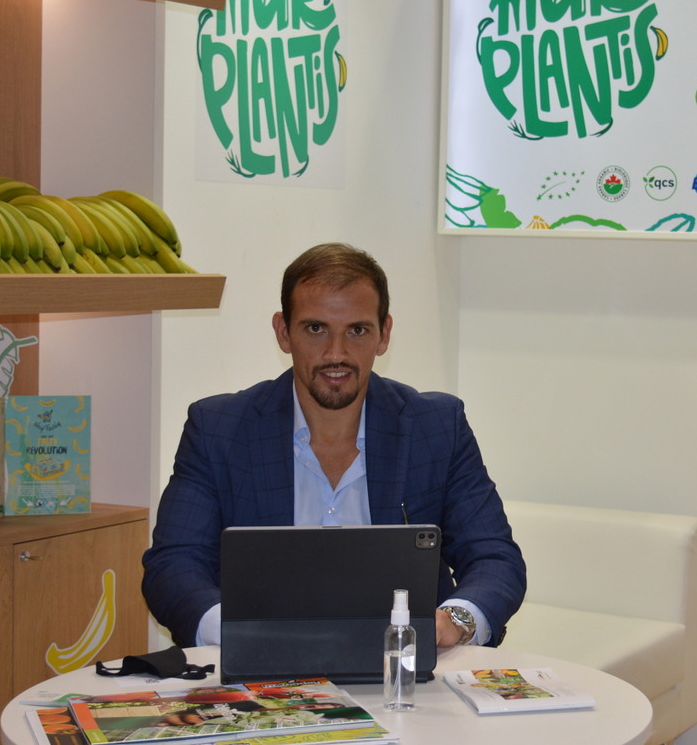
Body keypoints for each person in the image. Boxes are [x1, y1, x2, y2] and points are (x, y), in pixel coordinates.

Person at [142, 242, 526, 650]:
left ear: (384, 334)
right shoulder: (219, 429)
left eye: (357, 330)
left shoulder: (436, 426)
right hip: (261, 669)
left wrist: (456, 620)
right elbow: (174, 565)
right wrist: (238, 632)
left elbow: (493, 558)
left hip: (404, 665)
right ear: (283, 332)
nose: (336, 353)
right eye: (316, 329)